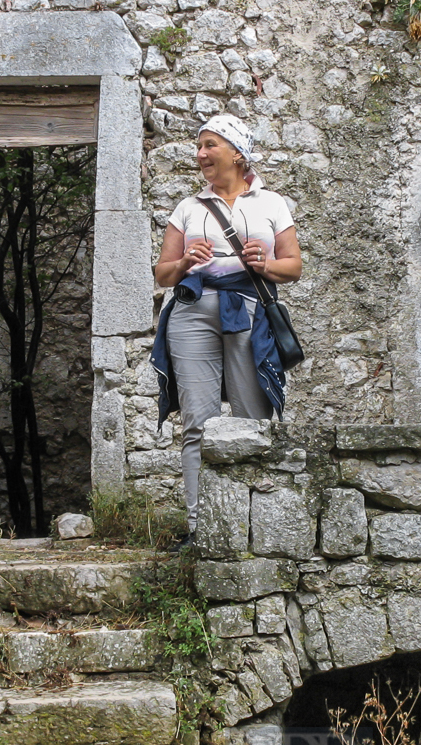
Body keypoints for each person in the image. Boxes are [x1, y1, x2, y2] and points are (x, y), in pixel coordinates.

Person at [151, 115, 302, 548]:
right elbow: (163, 274)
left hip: (249, 312)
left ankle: (258, 532)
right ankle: (202, 532)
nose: (200, 155)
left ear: (237, 153)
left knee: (252, 421)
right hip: (191, 311)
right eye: (199, 147)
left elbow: (293, 265)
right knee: (197, 422)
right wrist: (183, 264)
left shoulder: (270, 203)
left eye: (209, 145)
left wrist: (265, 265)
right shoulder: (188, 208)